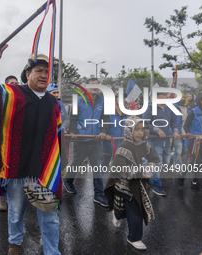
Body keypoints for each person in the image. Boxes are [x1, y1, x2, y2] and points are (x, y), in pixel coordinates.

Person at [0, 44, 62, 255]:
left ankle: (52, 251)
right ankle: (15, 243)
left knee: (50, 216)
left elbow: (58, 137)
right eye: (39, 71)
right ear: (28, 74)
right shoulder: (13, 93)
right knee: (15, 213)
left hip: (44, 171)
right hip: (17, 170)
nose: (43, 75)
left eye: (46, 72)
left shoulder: (54, 103)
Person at [104, 116, 160, 250]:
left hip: (136, 181)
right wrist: (140, 173)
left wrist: (150, 168)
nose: (140, 133)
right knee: (134, 209)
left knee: (125, 208)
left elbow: (155, 159)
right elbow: (118, 170)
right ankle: (134, 238)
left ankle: (117, 215)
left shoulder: (144, 145)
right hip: (121, 183)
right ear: (129, 130)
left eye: (142, 129)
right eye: (137, 129)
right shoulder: (124, 147)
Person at [64, 77, 108, 207]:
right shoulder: (79, 101)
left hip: (95, 141)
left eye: (97, 84)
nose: (95, 86)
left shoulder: (103, 101)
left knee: (97, 168)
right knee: (76, 163)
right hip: (81, 139)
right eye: (92, 84)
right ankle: (68, 182)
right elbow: (73, 118)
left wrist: (104, 131)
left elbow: (105, 118)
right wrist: (73, 132)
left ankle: (99, 195)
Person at [142, 92, 180, 196]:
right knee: (157, 164)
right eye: (164, 95)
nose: (167, 97)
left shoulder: (170, 108)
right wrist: (156, 129)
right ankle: (157, 186)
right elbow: (144, 124)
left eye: (166, 95)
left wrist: (176, 131)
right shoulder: (150, 109)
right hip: (154, 141)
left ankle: (146, 174)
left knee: (165, 163)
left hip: (166, 142)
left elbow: (174, 122)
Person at [0, 74, 20, 212]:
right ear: (5, 85)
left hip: (19, 142)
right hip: (3, 142)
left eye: (16, 83)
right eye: (11, 83)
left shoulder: (23, 100)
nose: (14, 85)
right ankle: (2, 198)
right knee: (3, 171)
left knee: (17, 172)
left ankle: (16, 198)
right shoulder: (0, 100)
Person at [180, 93, 202, 191]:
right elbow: (186, 126)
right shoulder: (193, 112)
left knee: (200, 163)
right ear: (201, 101)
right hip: (194, 142)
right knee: (191, 161)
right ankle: (181, 175)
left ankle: (195, 182)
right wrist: (190, 134)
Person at [101, 93, 127, 171]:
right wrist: (106, 134)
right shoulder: (108, 113)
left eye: (124, 98)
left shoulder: (126, 114)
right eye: (120, 98)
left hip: (122, 144)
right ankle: (98, 182)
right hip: (110, 143)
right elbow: (101, 126)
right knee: (104, 165)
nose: (123, 100)